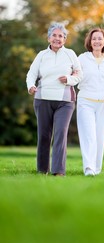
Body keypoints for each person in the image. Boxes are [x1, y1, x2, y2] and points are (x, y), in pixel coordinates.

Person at [26, 22, 82, 176]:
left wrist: (69, 79)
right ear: (49, 38)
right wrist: (30, 86)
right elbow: (31, 74)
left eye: (61, 36)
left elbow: (79, 74)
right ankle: (42, 169)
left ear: (64, 39)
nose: (58, 38)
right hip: (43, 99)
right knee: (44, 135)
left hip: (65, 102)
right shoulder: (41, 55)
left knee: (60, 133)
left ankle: (58, 171)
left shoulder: (70, 54)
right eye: (55, 35)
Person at [77, 27, 104, 176]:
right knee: (89, 135)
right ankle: (88, 168)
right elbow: (74, 75)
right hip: (85, 101)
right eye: (94, 38)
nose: (96, 41)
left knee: (100, 137)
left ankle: (96, 169)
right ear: (90, 41)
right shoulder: (82, 58)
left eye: (99, 38)